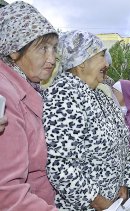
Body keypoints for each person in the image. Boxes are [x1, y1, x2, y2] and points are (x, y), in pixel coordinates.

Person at [43, 30, 130, 211]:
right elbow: (59, 165)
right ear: (82, 61)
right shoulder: (63, 94)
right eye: (101, 56)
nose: (106, 63)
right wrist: (98, 202)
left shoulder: (101, 94)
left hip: (113, 202)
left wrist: (124, 183)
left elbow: (123, 142)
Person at [0, 2, 58, 210]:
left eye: (54, 48)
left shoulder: (27, 86)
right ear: (15, 50)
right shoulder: (4, 93)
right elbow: (7, 194)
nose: (52, 58)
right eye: (43, 48)